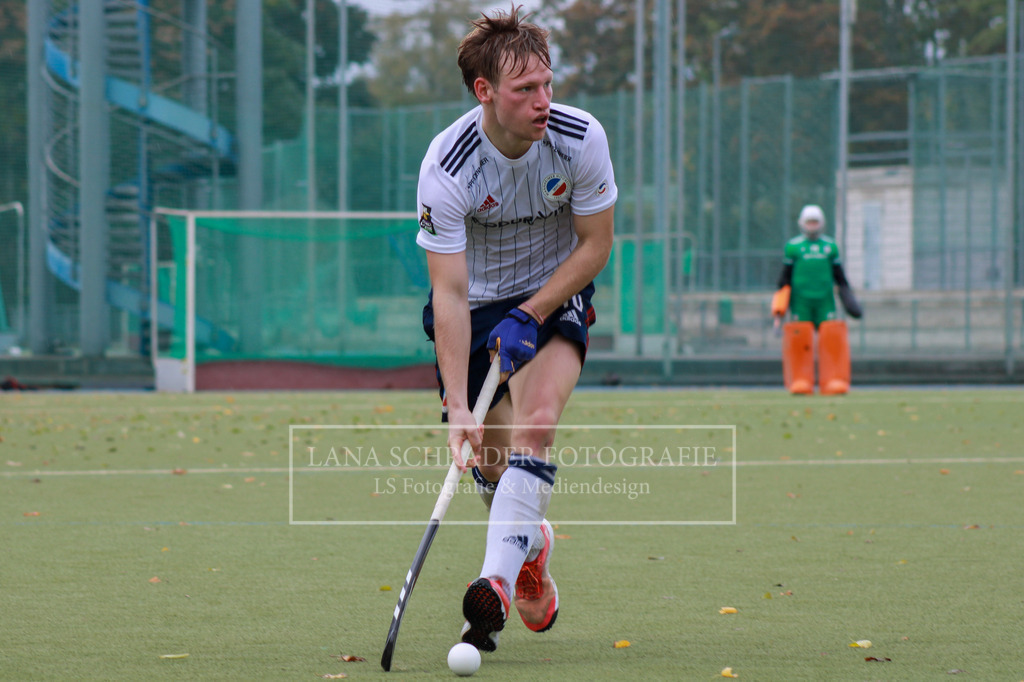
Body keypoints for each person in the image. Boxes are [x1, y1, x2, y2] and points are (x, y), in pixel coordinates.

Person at [416, 5, 617, 654]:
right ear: (486, 93)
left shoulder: (579, 138)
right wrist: (455, 405)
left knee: (537, 427)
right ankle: (531, 547)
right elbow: (446, 291)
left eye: (548, 84)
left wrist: (531, 313)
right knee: (498, 475)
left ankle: (494, 587)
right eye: (525, 90)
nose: (543, 101)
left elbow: (594, 246)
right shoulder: (448, 167)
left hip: (552, 293)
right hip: (472, 308)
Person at [771, 204, 862, 394]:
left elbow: (840, 278)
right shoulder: (793, 247)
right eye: (809, 222)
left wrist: (849, 301)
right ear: (802, 224)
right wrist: (779, 309)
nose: (812, 226)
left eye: (815, 222)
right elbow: (784, 280)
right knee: (799, 339)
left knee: (831, 338)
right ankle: (800, 379)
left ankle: (833, 379)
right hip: (800, 302)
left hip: (824, 301)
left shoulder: (830, 247)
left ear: (821, 224)